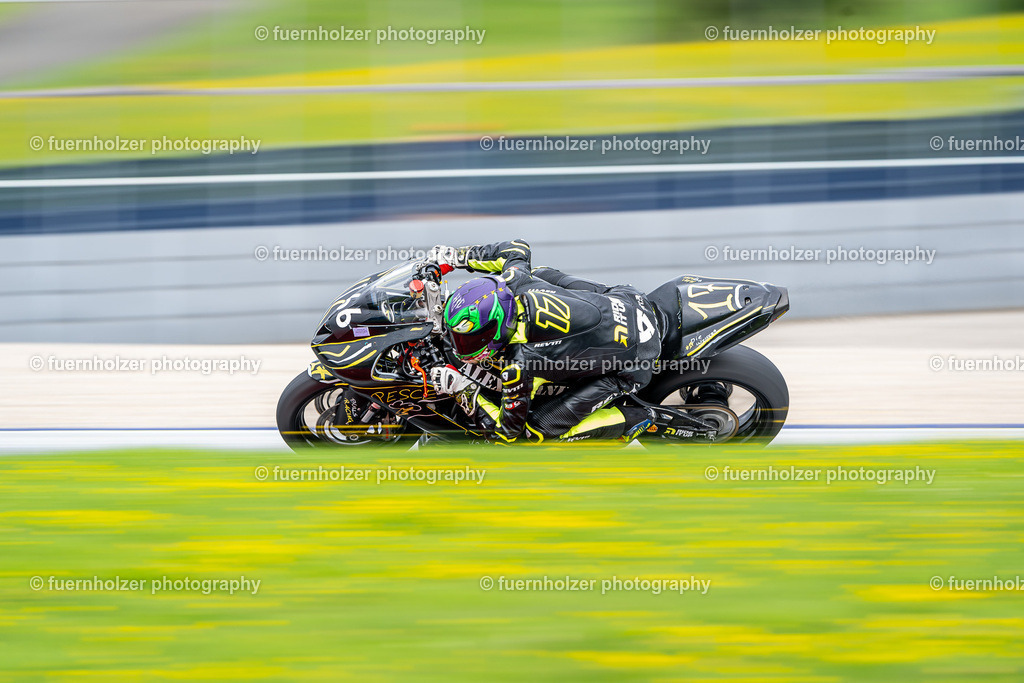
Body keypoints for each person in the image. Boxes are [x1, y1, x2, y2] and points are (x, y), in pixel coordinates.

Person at [425, 239, 685, 443]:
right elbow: (516, 248)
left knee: (536, 432)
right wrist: (458, 257)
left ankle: (646, 418)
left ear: (495, 327)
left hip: (635, 361)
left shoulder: (520, 365)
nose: (462, 345)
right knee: (540, 273)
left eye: (469, 338)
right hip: (628, 299)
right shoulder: (514, 280)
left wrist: (464, 389)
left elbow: (506, 432)